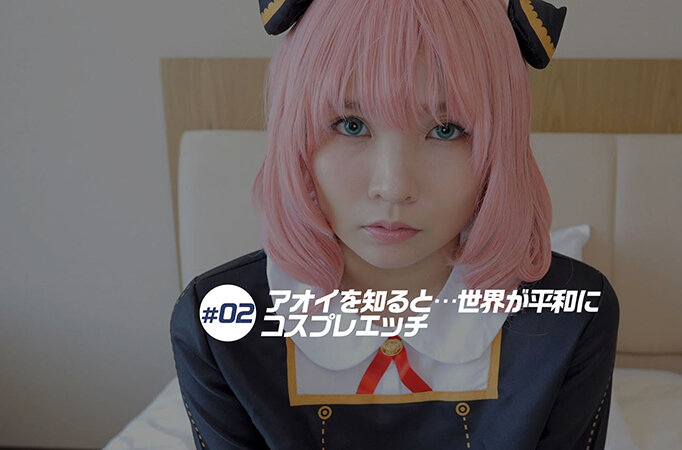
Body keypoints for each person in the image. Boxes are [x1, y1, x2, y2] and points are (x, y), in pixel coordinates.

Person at [170, 0, 620, 448]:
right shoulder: (220, 321)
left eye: (446, 129)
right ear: (296, 134)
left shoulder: (571, 315)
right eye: (350, 125)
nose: (393, 187)